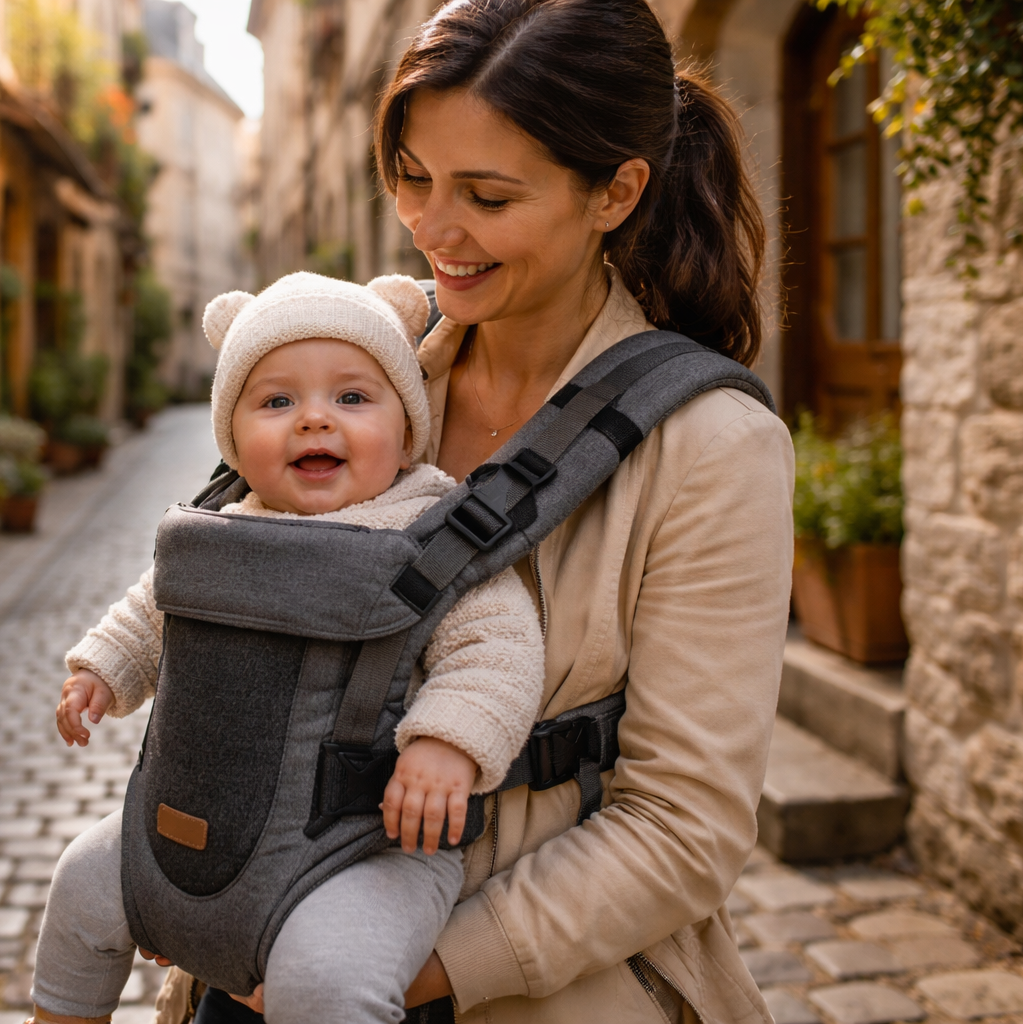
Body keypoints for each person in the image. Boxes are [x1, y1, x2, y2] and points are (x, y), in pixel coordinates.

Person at [156, 1, 795, 1022]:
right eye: (412, 177)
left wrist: (377, 974)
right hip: (251, 945)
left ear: (616, 192)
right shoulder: (361, 368)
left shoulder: (712, 446)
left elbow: (683, 829)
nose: (431, 231)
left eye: (488, 197)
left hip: (513, 988)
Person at [28, 271, 547, 1024]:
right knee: (82, 884)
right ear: (233, 438)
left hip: (364, 845)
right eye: (277, 401)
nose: (314, 421)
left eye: (352, 397)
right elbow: (153, 609)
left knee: (326, 980)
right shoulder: (225, 528)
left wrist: (448, 743)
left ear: (406, 429)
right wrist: (102, 670)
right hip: (213, 822)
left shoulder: (427, 533)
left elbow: (498, 645)